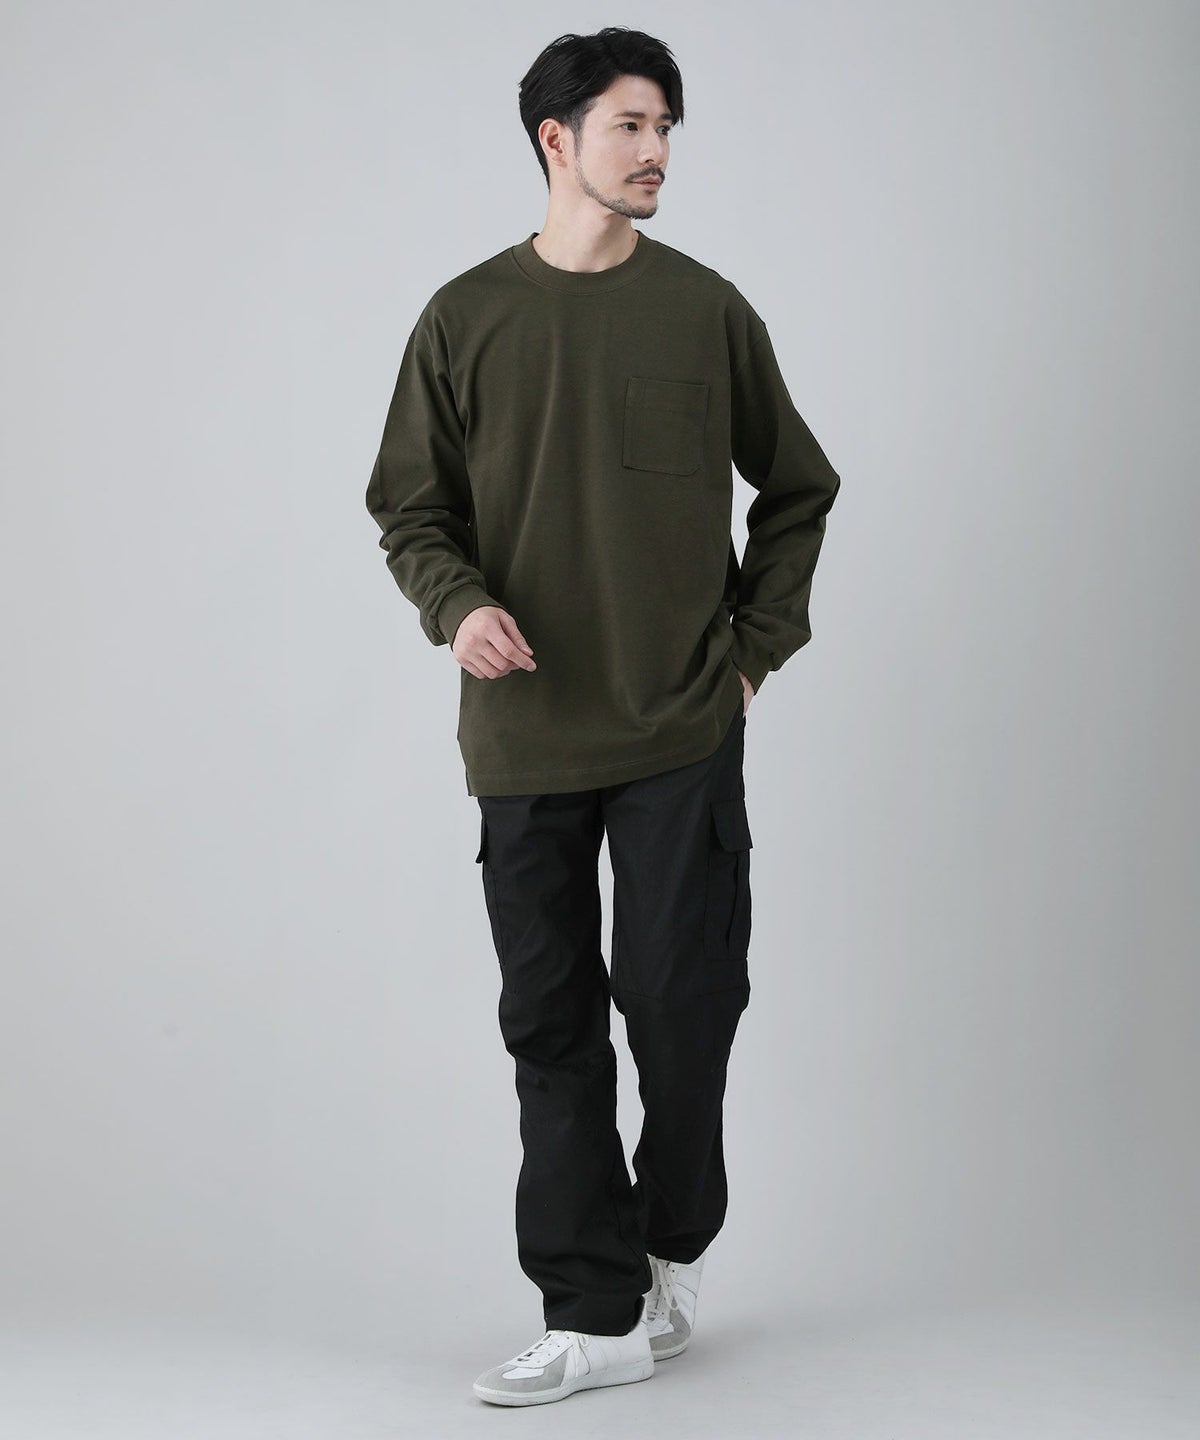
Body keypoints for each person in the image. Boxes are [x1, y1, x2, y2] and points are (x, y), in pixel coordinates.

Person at [364, 25, 841, 1409]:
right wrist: (455, 605)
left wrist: (754, 652)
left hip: (680, 723)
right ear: (555, 138)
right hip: (523, 736)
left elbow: (798, 489)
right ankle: (592, 1311)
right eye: (632, 124)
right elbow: (410, 508)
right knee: (551, 1020)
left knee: (684, 1009)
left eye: (667, 127)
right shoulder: (464, 318)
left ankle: (671, 1242)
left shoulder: (705, 312)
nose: (657, 152)